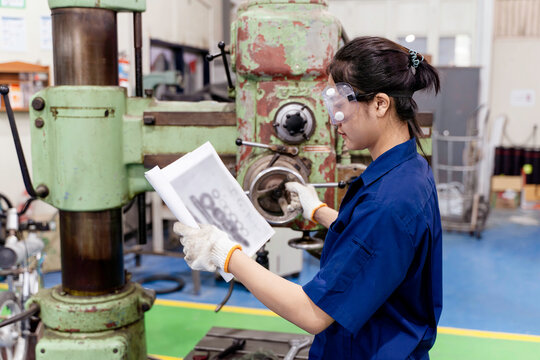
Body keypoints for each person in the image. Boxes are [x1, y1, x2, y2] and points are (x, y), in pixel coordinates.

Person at [174, 36, 442, 359]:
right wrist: (318, 211)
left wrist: (225, 254)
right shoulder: (409, 169)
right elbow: (377, 245)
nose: (334, 119)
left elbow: (311, 313)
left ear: (381, 104)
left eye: (342, 103)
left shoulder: (389, 203)